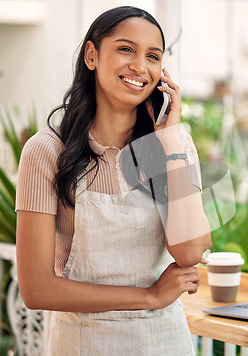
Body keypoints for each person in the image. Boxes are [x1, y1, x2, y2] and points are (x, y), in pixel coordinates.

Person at [15, 6, 211, 355]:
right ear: (92, 55)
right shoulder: (46, 151)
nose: (140, 66)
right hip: (82, 343)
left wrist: (170, 148)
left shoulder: (172, 146)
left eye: (152, 55)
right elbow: (36, 289)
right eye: (126, 49)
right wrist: (150, 296)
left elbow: (190, 251)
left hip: (164, 342)